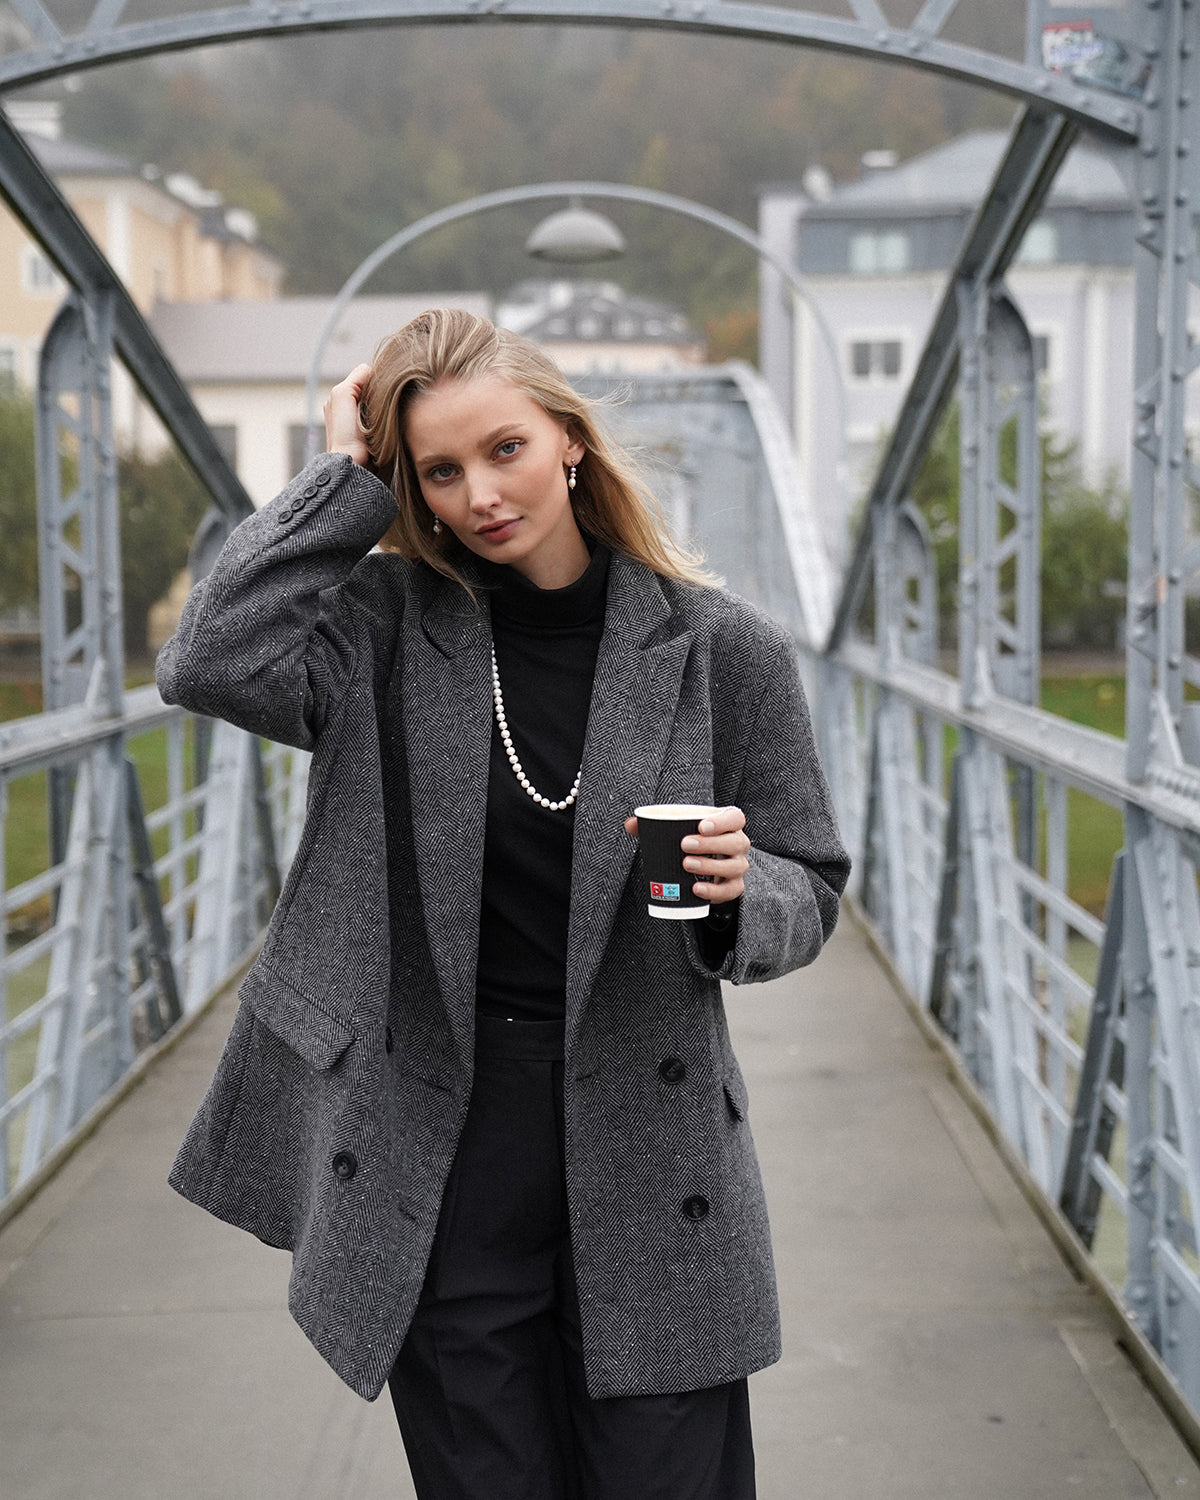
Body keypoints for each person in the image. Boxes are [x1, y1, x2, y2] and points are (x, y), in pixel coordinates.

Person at [158, 308, 850, 1500]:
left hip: (650, 1133)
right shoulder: (380, 630)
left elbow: (811, 878)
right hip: (443, 1139)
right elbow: (209, 659)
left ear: (569, 439)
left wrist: (745, 895)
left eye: (506, 449)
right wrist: (341, 481)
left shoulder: (720, 648)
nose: (479, 494)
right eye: (439, 471)